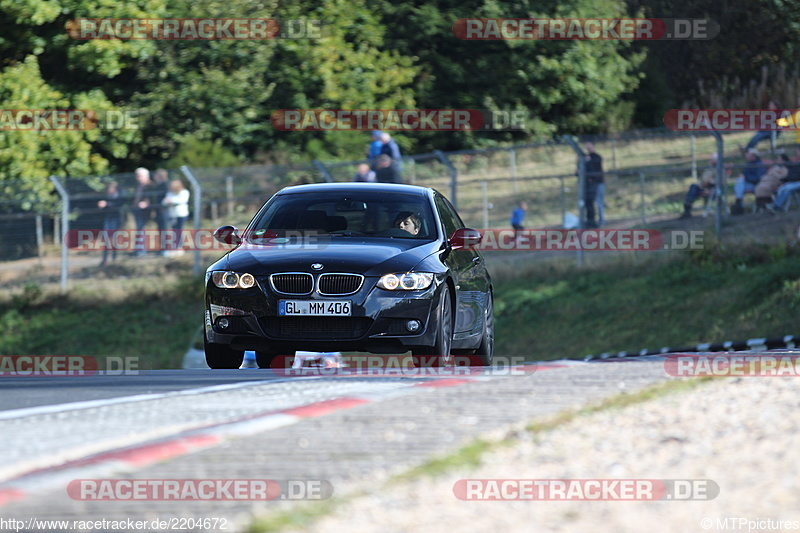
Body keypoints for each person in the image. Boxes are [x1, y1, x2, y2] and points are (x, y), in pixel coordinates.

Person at [679, 153, 724, 219]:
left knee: (694, 188)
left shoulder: (720, 169)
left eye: (712, 160)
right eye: (710, 159)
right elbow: (704, 180)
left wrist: (709, 181)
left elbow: (721, 182)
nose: (710, 161)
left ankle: (687, 209)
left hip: (712, 188)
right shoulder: (710, 169)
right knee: (693, 186)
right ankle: (687, 208)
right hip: (704, 187)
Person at [731, 149, 766, 215]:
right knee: (739, 182)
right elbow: (744, 173)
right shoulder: (749, 164)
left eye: (748, 155)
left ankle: (738, 202)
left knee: (740, 183)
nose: (746, 156)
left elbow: (758, 178)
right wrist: (742, 176)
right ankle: (739, 202)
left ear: (753, 156)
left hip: (756, 184)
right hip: (747, 183)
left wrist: (745, 178)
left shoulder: (759, 165)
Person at [97, 181, 124, 265]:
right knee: (106, 239)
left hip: (115, 219)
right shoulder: (107, 197)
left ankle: (114, 257)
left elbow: (118, 205)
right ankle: (105, 259)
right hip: (108, 219)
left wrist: (106, 204)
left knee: (114, 239)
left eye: (110, 188)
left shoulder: (119, 196)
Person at [161, 179, 190, 255]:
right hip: (173, 215)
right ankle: (175, 246)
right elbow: (164, 202)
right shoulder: (170, 193)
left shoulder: (184, 192)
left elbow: (182, 200)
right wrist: (168, 201)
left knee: (179, 230)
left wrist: (171, 200)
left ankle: (180, 247)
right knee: (174, 231)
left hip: (181, 214)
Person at [131, 167, 153, 256]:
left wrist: (146, 203)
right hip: (137, 209)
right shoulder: (138, 186)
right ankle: (138, 249)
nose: (137, 178)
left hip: (145, 211)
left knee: (141, 229)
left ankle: (141, 250)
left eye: (139, 176)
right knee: (139, 230)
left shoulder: (150, 186)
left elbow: (153, 198)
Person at [584, 142, 604, 228]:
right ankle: (592, 221)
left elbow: (596, 168)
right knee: (591, 203)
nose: (589, 149)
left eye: (590, 147)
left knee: (599, 202)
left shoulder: (596, 157)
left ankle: (601, 220)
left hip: (598, 182)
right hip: (591, 184)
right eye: (587, 148)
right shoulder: (586, 158)